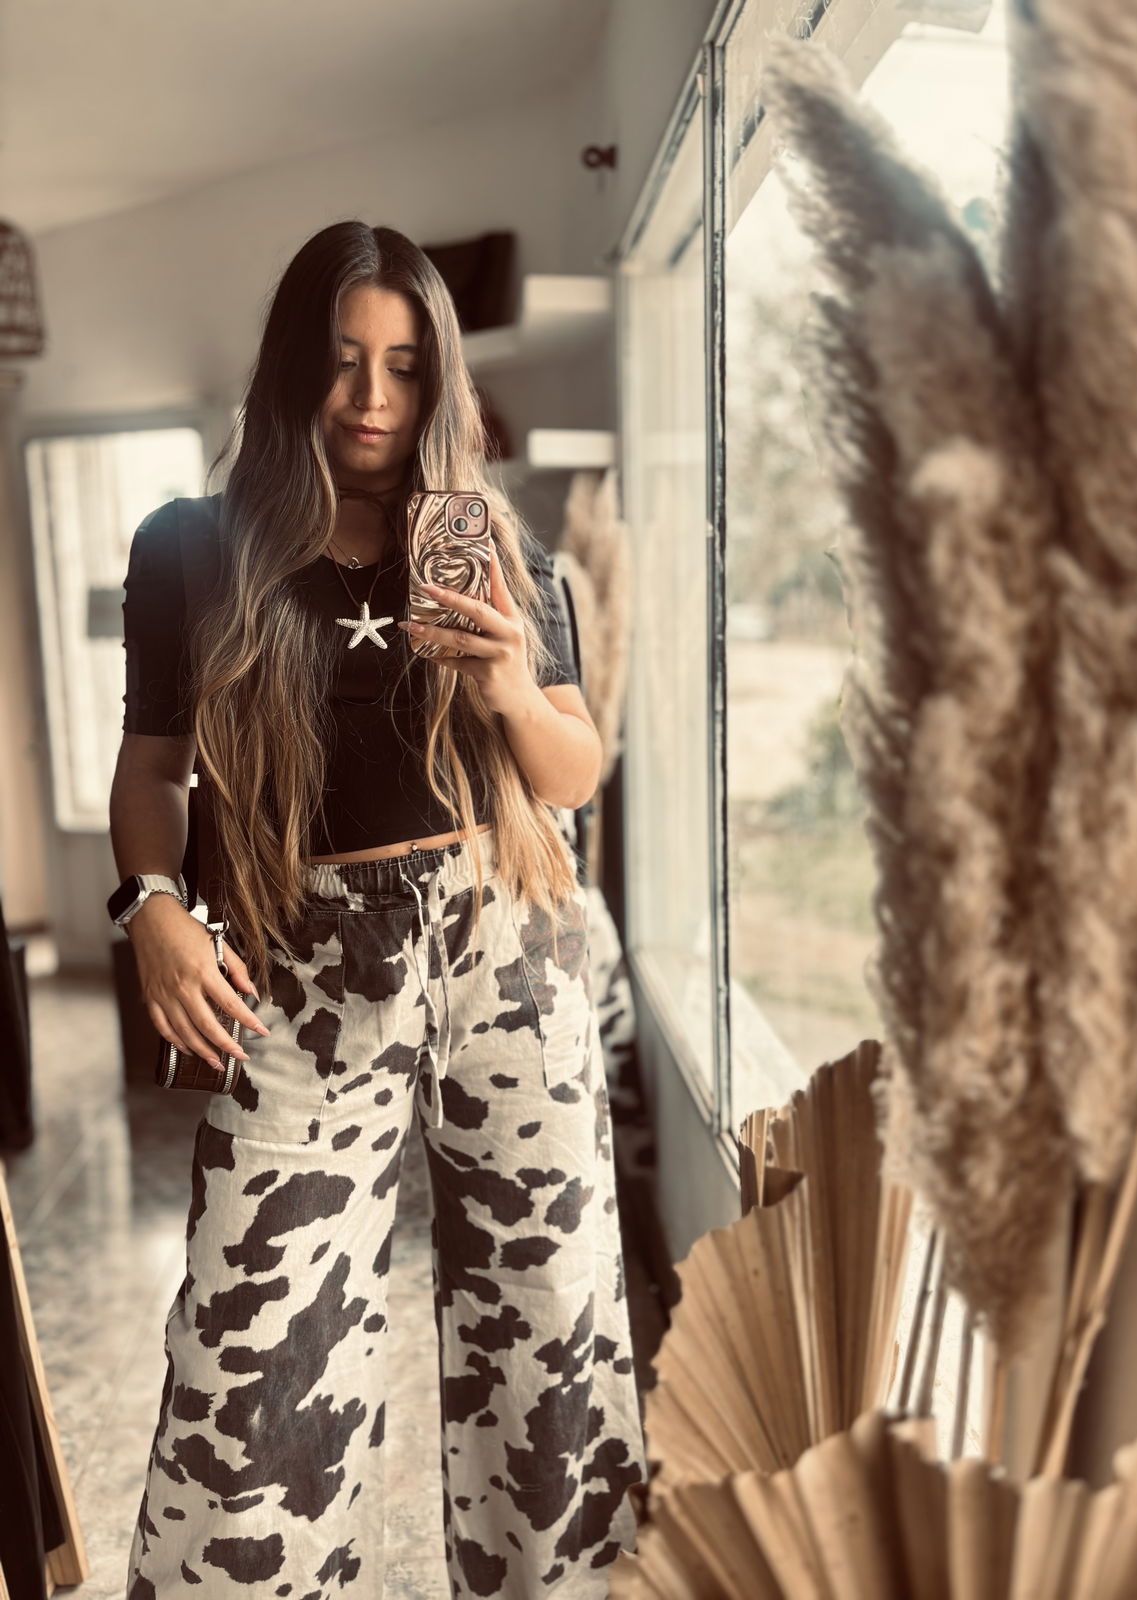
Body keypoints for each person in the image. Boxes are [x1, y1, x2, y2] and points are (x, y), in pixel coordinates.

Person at [109, 219, 647, 1599]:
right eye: (345, 359)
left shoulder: (496, 545)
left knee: (552, 1333)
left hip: (508, 940)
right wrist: (153, 904)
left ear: (438, 378)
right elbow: (155, 766)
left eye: (405, 366)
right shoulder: (190, 550)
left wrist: (511, 687)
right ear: (295, 363)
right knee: (251, 1352)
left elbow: (574, 772)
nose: (371, 396)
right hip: (300, 962)